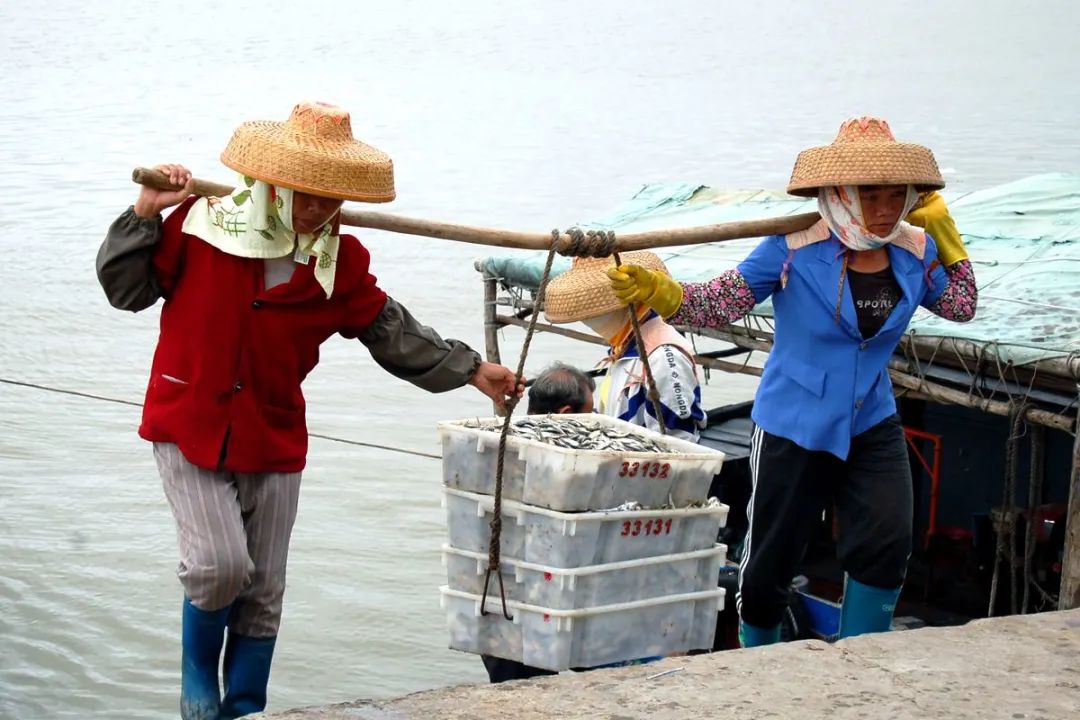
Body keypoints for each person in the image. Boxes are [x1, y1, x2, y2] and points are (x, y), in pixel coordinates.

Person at [95, 102, 522, 719]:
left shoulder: (338, 262)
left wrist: (471, 370)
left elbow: (389, 329)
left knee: (263, 589)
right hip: (188, 420)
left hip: (272, 433)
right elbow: (126, 291)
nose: (319, 209)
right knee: (218, 567)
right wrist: (143, 215)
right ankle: (197, 691)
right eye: (305, 194)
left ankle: (245, 708)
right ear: (273, 183)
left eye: (332, 197)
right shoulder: (200, 224)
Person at [607, 116, 977, 647]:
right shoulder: (795, 245)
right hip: (792, 424)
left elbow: (962, 306)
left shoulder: (915, 250)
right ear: (840, 192)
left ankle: (861, 658)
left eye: (898, 196)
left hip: (870, 418)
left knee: (888, 542)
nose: (884, 210)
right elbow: (721, 301)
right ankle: (763, 661)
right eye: (870, 196)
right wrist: (662, 292)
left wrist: (946, 234)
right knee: (770, 561)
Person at [480, 361, 593, 683]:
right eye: (590, 413)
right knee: (523, 686)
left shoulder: (499, 446)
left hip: (499, 603)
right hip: (526, 604)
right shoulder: (559, 462)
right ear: (567, 414)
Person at [543, 251, 706, 442]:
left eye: (593, 311)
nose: (589, 320)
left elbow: (679, 440)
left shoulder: (662, 355)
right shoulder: (624, 346)